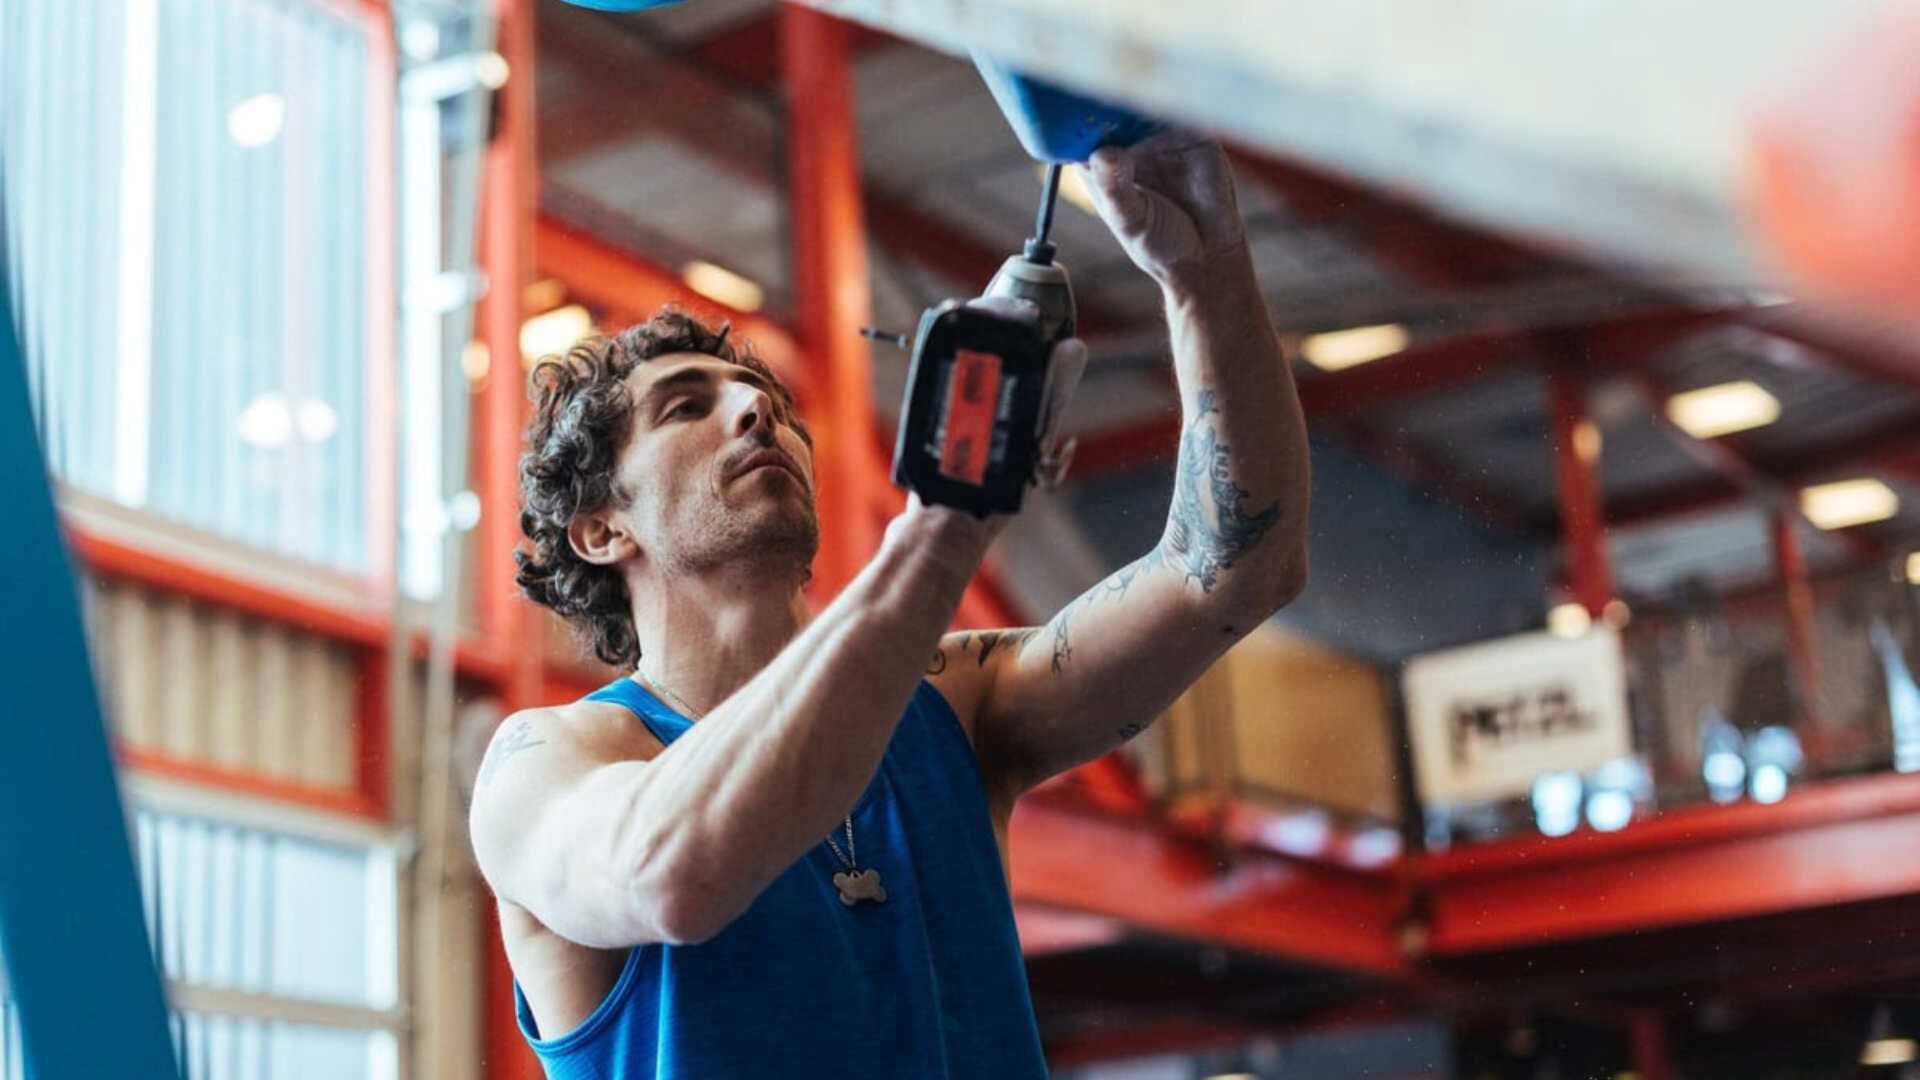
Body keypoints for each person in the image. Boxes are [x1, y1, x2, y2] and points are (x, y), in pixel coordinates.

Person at [468, 133, 1311, 1078]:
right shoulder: (546, 763)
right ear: (598, 531)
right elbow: (672, 874)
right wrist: (949, 518)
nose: (757, 415)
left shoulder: (955, 701)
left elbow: (1237, 565)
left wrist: (1205, 271)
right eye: (684, 408)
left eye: (767, 403)